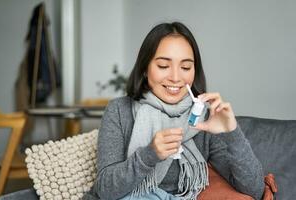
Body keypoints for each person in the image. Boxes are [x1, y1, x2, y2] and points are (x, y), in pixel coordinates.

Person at [83, 22, 264, 200]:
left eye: (185, 67)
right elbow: (105, 190)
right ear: (145, 68)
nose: (176, 78)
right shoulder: (119, 110)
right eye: (163, 66)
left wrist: (232, 133)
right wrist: (149, 155)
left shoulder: (204, 118)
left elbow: (254, 190)